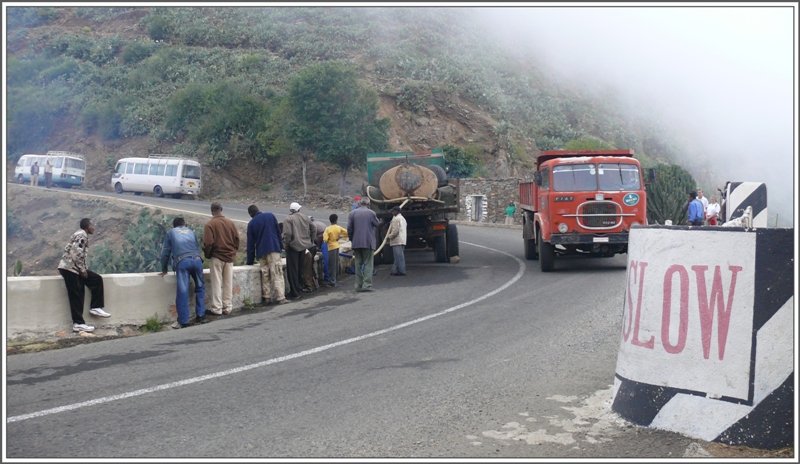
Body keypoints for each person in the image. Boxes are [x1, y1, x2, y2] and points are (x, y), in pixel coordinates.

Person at [57, 218, 111, 333]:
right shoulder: (82, 235)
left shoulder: (81, 234)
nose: (94, 227)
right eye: (92, 225)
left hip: (73, 268)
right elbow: (76, 253)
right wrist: (82, 269)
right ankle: (78, 324)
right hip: (70, 269)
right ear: (87, 226)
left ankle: (95, 307)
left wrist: (82, 269)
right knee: (76, 295)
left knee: (94, 280)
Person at [159, 217, 207, 329]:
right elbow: (197, 247)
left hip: (183, 262)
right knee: (200, 287)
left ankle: (184, 321)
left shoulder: (171, 233)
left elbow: (165, 253)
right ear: (184, 224)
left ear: (174, 225)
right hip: (197, 260)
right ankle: (201, 315)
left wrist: (164, 269)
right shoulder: (191, 232)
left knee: (183, 291)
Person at [203, 202, 240, 316]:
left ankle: (217, 308)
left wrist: (208, 255)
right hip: (229, 257)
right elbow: (237, 239)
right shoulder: (230, 223)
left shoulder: (210, 225)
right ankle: (227, 307)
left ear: (212, 211)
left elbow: (208, 243)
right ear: (221, 209)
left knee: (217, 283)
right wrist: (233, 252)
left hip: (217, 257)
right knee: (228, 283)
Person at [246, 205, 287, 305]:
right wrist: (281, 246)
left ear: (251, 214)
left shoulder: (251, 224)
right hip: (273, 248)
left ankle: (267, 297)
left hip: (261, 252)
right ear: (258, 210)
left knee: (265, 274)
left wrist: (249, 261)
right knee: (276, 272)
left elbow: (250, 244)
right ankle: (280, 297)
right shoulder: (270, 216)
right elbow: (278, 232)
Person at [282, 202, 316, 299]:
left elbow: (287, 234)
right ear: (298, 209)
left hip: (293, 247)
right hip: (303, 247)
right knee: (300, 268)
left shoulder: (288, 219)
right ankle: (300, 288)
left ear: (291, 210)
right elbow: (313, 228)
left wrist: (286, 244)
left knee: (292, 271)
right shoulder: (305, 217)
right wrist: (311, 240)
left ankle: (295, 293)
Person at [347, 196, 380, 292]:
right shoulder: (371, 213)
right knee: (368, 264)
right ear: (368, 204)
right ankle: (367, 285)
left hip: (356, 243)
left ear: (359, 203)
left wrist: (351, 239)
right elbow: (377, 224)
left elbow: (349, 228)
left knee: (358, 263)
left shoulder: (352, 213)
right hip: (368, 242)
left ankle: (358, 285)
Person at [322, 213, 348, 287]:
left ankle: (332, 281)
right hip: (337, 246)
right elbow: (347, 233)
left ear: (330, 220)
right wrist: (339, 237)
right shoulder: (338, 227)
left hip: (331, 247)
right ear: (336, 220)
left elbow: (325, 239)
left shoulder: (328, 229)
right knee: (336, 263)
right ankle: (335, 278)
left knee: (331, 264)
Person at [386, 206, 407, 276]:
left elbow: (395, 231)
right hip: (402, 239)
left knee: (399, 257)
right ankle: (394, 270)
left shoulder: (396, 219)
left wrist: (389, 237)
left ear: (396, 211)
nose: (392, 213)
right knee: (398, 257)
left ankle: (401, 271)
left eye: (393, 211)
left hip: (397, 240)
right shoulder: (403, 219)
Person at [310, 216, 329, 285]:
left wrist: (317, 246)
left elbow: (315, 237)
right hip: (326, 238)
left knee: (325, 259)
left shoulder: (313, 225)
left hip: (324, 239)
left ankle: (327, 278)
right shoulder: (318, 223)